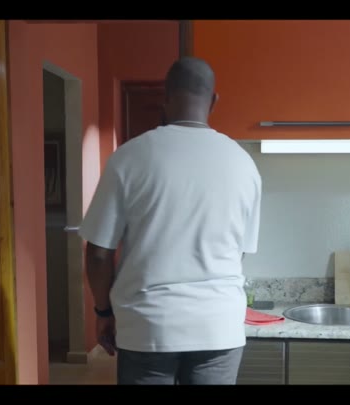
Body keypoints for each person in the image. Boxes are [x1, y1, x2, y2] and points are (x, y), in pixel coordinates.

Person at [78, 56, 262, 385]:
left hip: (147, 326)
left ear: (166, 97)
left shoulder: (128, 158)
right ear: (213, 100)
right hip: (218, 327)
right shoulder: (243, 163)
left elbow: (98, 253)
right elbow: (240, 252)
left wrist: (103, 312)